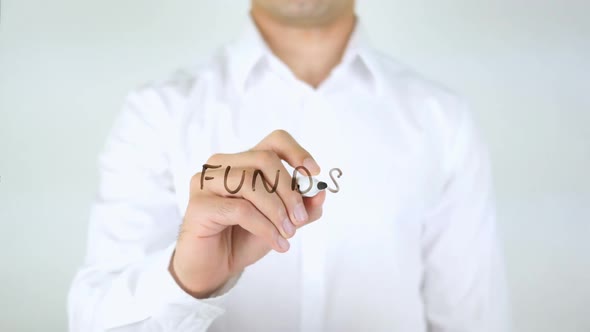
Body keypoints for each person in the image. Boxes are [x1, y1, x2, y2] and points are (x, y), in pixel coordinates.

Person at [68, 0, 509, 331]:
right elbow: (93, 321)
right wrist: (186, 280)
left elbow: (473, 322)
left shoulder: (443, 121)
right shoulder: (157, 114)